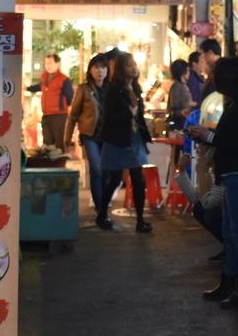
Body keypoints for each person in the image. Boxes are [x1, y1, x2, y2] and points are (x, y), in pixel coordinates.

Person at [188, 57, 238, 309]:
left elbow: (236, 143)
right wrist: (210, 136)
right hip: (231, 174)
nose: (213, 78)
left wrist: (208, 136)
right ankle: (229, 280)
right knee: (229, 231)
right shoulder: (236, 103)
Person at [97, 52, 153, 233]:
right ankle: (102, 214)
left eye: (134, 64)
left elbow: (138, 114)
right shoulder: (113, 89)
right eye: (129, 65)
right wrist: (129, 112)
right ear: (122, 69)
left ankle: (140, 220)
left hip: (134, 139)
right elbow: (109, 117)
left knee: (138, 178)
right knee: (114, 179)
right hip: (118, 139)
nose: (133, 68)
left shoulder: (135, 87)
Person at [65, 54, 109, 218]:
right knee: (96, 169)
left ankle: (104, 203)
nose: (100, 71)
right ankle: (100, 208)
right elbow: (73, 115)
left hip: (107, 136)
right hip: (89, 135)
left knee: (107, 171)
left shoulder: (111, 88)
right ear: (90, 70)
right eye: (96, 67)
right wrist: (68, 138)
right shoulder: (84, 89)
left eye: (103, 67)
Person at [28, 54, 73, 148]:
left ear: (57, 63)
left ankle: (60, 157)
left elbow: (70, 97)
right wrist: (27, 88)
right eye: (46, 63)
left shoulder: (64, 79)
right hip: (46, 114)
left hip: (59, 115)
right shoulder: (44, 76)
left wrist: (64, 107)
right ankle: (49, 157)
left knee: (59, 142)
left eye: (50, 63)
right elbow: (39, 87)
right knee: (47, 142)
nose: (48, 65)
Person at [166, 58, 194, 129]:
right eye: (187, 70)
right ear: (182, 72)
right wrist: (182, 112)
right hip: (179, 124)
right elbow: (173, 106)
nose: (189, 73)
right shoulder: (177, 86)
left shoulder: (182, 85)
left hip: (184, 121)